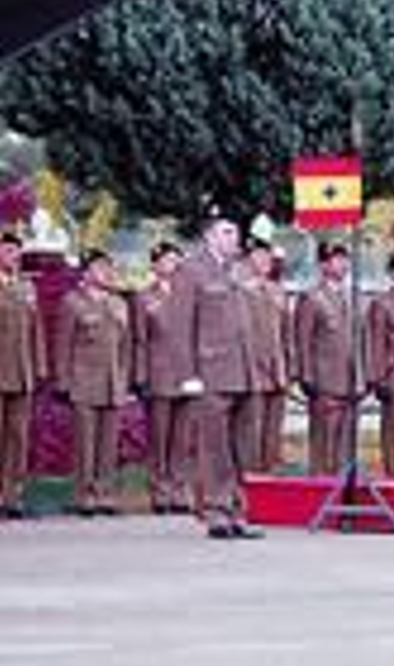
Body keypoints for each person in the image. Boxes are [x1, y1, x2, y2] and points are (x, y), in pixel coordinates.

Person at [181, 209, 263, 540]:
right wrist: (189, 373)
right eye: (228, 232)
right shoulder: (192, 270)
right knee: (214, 447)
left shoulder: (238, 270)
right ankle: (216, 511)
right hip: (211, 370)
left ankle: (237, 511)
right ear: (210, 235)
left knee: (241, 447)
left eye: (236, 232)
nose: (235, 239)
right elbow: (180, 325)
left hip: (243, 370)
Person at [54, 249, 133, 515]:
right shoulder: (73, 302)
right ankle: (83, 495)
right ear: (86, 273)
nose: (107, 272)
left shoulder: (119, 303)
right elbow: (62, 345)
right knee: (85, 443)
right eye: (100, 268)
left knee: (108, 443)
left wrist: (126, 379)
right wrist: (63, 382)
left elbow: (126, 346)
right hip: (83, 380)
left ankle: (105, 494)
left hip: (113, 381)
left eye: (109, 267)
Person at [133, 241, 197, 514]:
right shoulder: (144, 297)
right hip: (158, 374)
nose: (174, 265)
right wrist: (140, 375)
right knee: (159, 437)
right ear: (155, 265)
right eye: (168, 260)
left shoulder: (189, 296)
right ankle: (160, 491)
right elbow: (139, 339)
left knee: (181, 438)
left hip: (186, 374)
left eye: (177, 260)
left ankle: (179, 489)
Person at [295, 242, 357, 476]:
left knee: (344, 446)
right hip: (324, 380)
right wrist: (306, 375)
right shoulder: (312, 298)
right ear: (323, 265)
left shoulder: (350, 297)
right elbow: (303, 339)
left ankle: (340, 494)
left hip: (348, 381)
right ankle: (321, 488)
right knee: (323, 443)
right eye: (336, 259)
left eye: (344, 259)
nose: (343, 264)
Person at [0, 231, 46, 519]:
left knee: (18, 437)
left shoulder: (27, 287)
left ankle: (13, 496)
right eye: (5, 251)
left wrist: (39, 367)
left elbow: (36, 330)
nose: (11, 257)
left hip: (22, 372)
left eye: (15, 252)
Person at [240, 229, 292, 473]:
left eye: (268, 257)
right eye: (259, 256)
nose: (264, 262)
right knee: (251, 430)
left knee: (273, 432)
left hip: (277, 369)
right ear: (248, 259)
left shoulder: (277, 291)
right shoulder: (239, 291)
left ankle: (269, 476)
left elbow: (285, 332)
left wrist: (290, 367)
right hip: (251, 369)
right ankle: (249, 478)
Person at [366, 260, 394, 479]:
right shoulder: (382, 302)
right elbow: (375, 343)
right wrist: (377, 378)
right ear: (393, 272)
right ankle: (392, 471)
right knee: (393, 426)